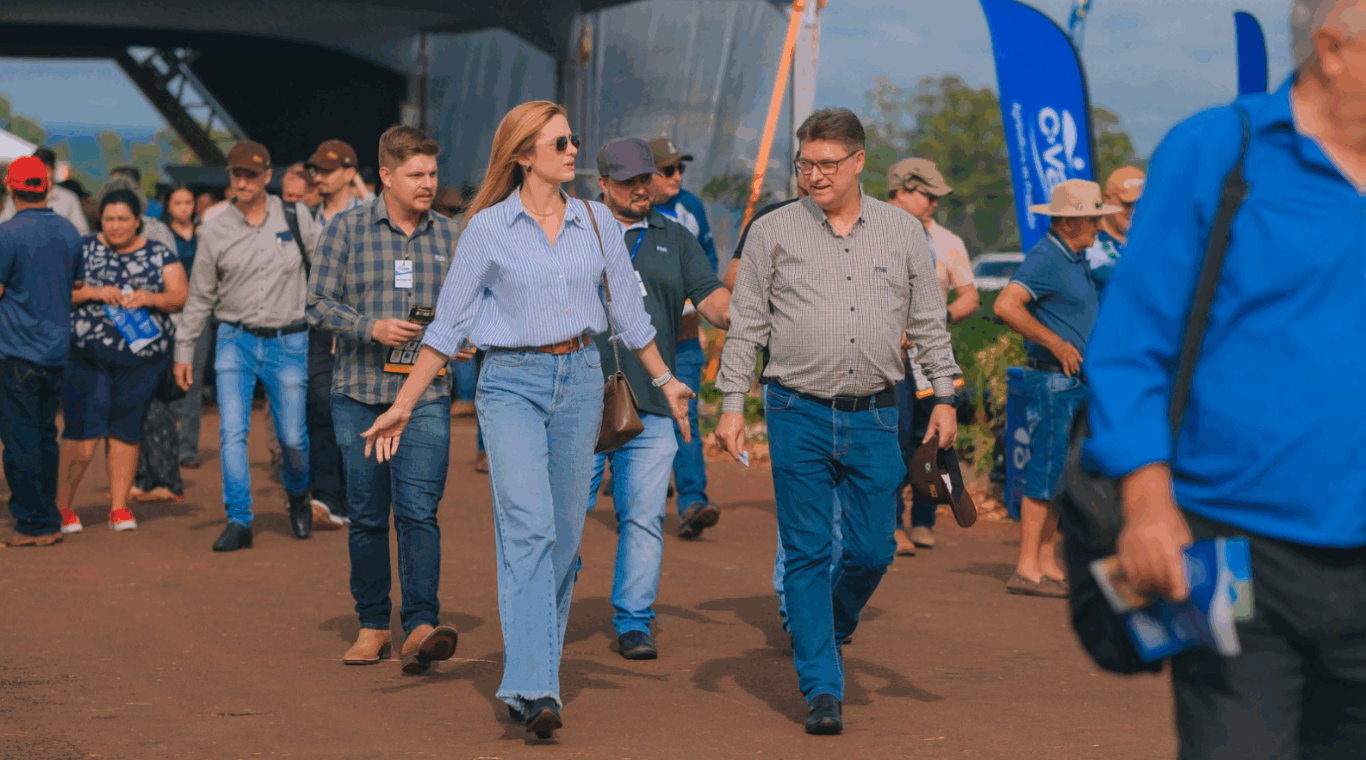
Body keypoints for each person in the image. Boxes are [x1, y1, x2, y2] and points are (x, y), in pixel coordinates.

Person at [358, 101, 693, 737]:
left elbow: (629, 312)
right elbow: (449, 325)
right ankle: (537, 685)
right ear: (523, 155)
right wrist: (402, 404)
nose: (573, 151)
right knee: (530, 528)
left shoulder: (596, 221)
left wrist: (668, 381)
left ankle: (531, 673)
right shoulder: (486, 228)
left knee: (564, 544)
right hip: (509, 384)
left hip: (583, 383)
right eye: (560, 142)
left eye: (572, 141)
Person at [1087, 3, 1366, 755]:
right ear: (1334, 48)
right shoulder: (1221, 151)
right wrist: (1146, 503)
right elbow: (1131, 343)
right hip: (1236, 546)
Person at [715, 107, 960, 735]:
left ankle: (830, 620)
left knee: (874, 550)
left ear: (857, 163)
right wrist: (731, 405)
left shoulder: (903, 232)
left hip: (876, 414)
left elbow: (931, 322)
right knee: (805, 550)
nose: (815, 175)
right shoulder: (772, 232)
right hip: (795, 409)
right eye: (805, 164)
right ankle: (822, 686)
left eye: (828, 163)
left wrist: (944, 400)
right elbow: (748, 325)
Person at [308, 126, 462, 670]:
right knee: (370, 516)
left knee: (419, 512)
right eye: (417, 175)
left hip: (425, 398)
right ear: (387, 177)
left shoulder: (451, 235)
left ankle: (421, 624)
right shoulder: (345, 230)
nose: (427, 184)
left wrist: (460, 341)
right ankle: (373, 624)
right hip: (360, 396)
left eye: (433, 174)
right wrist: (370, 327)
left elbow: (471, 309)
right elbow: (317, 304)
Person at [586, 137, 730, 660]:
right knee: (561, 516)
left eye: (645, 178)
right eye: (627, 181)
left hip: (652, 399)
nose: (640, 188)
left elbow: (713, 299)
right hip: (578, 399)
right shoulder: (577, 230)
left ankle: (633, 620)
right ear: (603, 184)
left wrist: (754, 315)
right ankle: (550, 610)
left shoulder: (676, 234)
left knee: (643, 517)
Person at [173, 141, 321, 552]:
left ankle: (298, 494)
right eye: (236, 174)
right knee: (231, 432)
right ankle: (239, 518)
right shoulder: (215, 227)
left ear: (266, 177)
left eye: (250, 175)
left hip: (288, 338)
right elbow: (200, 295)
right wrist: (184, 350)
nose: (242, 181)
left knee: (292, 436)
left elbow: (325, 270)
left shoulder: (296, 216)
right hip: (234, 339)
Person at [992, 179, 1115, 597]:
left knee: (1061, 476)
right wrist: (1057, 342)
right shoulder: (1046, 257)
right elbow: (1006, 304)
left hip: (1072, 384)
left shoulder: (1074, 256)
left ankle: (1045, 560)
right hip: (1055, 383)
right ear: (1068, 222)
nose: (1099, 226)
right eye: (1092, 219)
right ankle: (1027, 567)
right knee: (1044, 473)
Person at [57, 188, 188, 534]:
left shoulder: (159, 252)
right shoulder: (82, 249)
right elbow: (56, 292)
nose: (115, 226)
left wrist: (151, 297)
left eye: (123, 219)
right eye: (109, 219)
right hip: (86, 356)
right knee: (82, 429)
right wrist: (92, 292)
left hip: (142, 361)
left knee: (126, 430)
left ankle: (119, 508)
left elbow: (179, 297)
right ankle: (63, 508)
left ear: (137, 221)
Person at [885, 157, 978, 553]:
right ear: (901, 191)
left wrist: (935, 320)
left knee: (935, 439)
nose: (935, 204)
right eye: (928, 195)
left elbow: (970, 296)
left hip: (931, 358)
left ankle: (924, 518)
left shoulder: (947, 242)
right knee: (894, 439)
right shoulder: (871, 231)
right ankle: (890, 523)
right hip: (887, 361)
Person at [0, 157, 84, 546]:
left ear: (9, 186)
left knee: (21, 440)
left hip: (16, 351)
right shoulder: (68, 231)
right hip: (54, 351)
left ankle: (33, 522)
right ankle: (47, 517)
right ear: (47, 187)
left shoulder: (8, 233)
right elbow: (75, 285)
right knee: (46, 435)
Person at [648, 137, 722, 539]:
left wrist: (697, 297)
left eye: (680, 169)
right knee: (634, 417)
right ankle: (628, 489)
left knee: (685, 417)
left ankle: (692, 501)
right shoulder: (628, 211)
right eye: (668, 170)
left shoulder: (690, 207)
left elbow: (708, 261)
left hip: (685, 336)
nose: (677, 176)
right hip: (637, 342)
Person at [301, 138, 376, 530]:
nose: (318, 177)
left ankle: (354, 497)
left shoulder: (367, 214)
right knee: (318, 407)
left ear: (350, 172)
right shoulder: (304, 217)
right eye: (315, 170)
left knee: (358, 409)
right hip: (316, 327)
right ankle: (325, 495)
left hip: (357, 327)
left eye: (328, 170)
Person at [162, 186, 211, 469]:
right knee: (167, 381)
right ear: (169, 206)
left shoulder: (204, 235)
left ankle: (187, 447)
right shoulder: (160, 235)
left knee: (193, 380)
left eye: (188, 202)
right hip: (167, 315)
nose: (183, 207)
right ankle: (165, 444)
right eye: (178, 202)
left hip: (198, 316)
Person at [1084, 165, 1145, 296]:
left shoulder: (1155, 243)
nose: (1134, 210)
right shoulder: (1085, 247)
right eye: (1127, 204)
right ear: (1106, 199)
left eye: (1141, 204)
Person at [0, 147, 90, 235]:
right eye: (35, 169)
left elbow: (82, 232)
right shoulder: (17, 195)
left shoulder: (68, 198)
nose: (39, 174)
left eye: (44, 170)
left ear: (53, 170)